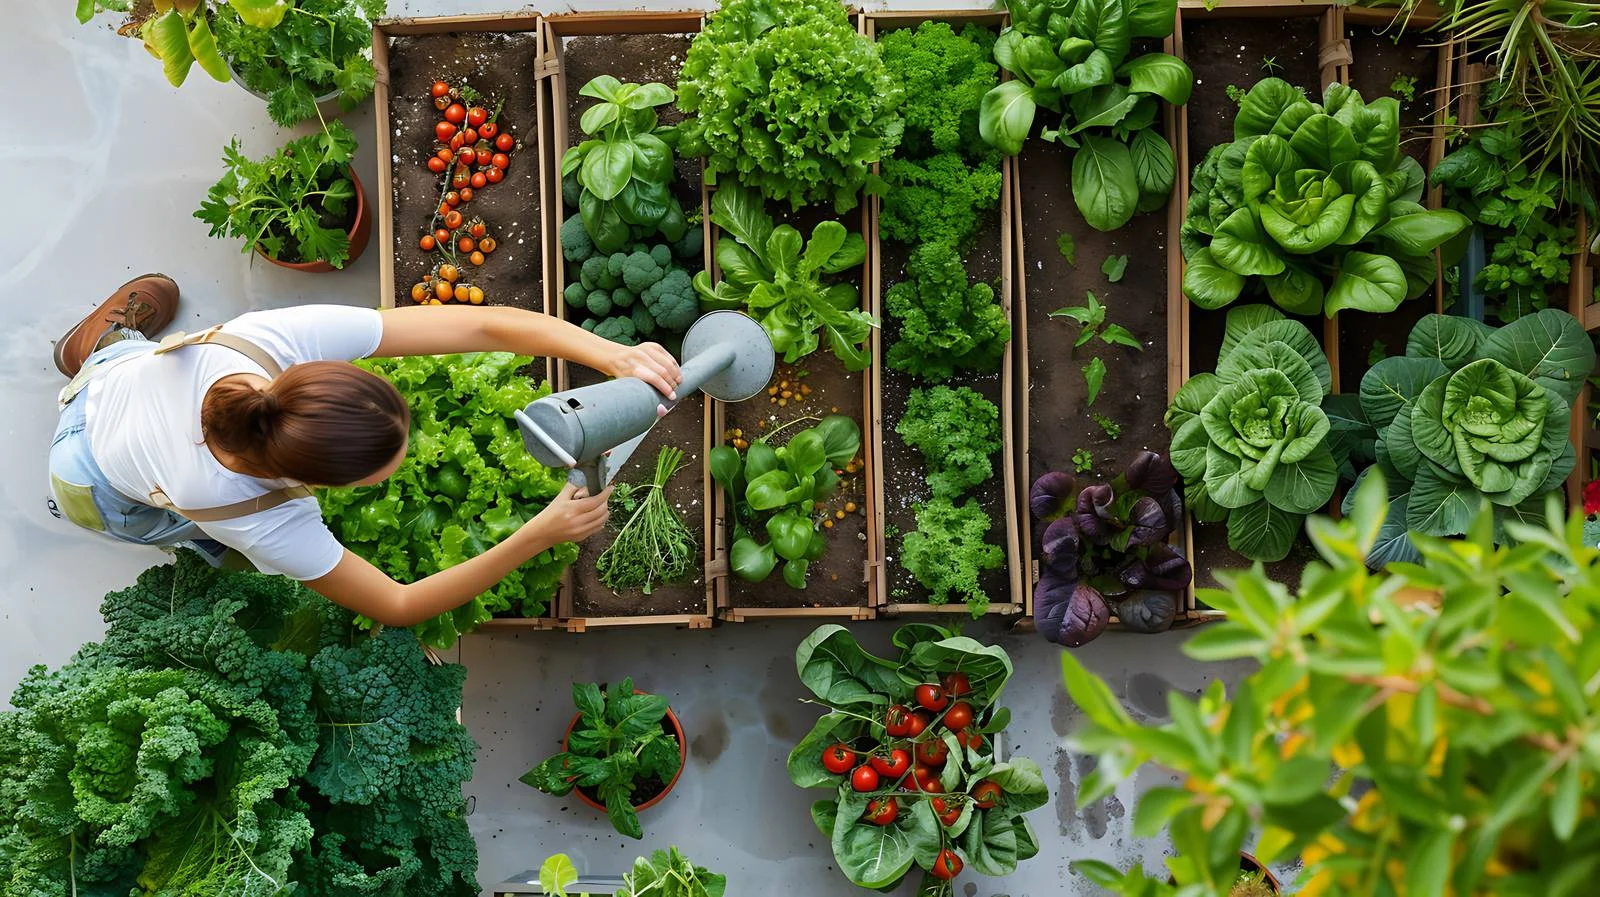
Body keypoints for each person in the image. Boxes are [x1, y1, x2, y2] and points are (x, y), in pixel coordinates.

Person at [48, 274, 682, 627]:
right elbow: (398, 604)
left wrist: (612, 354)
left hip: (112, 386)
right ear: (309, 485)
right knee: (194, 530)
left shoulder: (266, 343)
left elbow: (480, 325)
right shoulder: (259, 519)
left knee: (119, 364)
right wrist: (538, 534)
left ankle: (87, 350)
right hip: (93, 481)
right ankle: (86, 356)